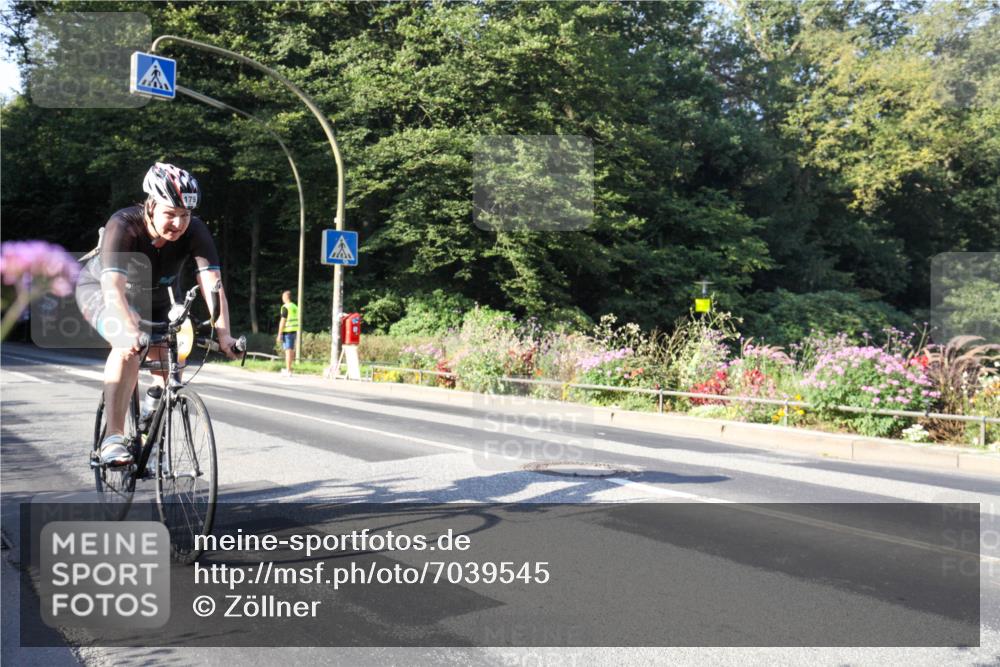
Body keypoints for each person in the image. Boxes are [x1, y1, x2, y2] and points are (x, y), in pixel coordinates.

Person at [76, 162, 240, 465]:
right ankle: (113, 438)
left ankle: (148, 429)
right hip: (103, 291)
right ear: (151, 206)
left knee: (171, 364)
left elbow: (212, 285)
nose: (179, 223)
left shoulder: (195, 230)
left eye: (185, 215)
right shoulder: (124, 225)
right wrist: (128, 328)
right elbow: (112, 287)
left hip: (158, 298)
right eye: (170, 214)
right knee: (126, 346)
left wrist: (224, 334)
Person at [276, 290, 299, 376]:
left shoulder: (285, 307)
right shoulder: (295, 306)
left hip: (287, 331)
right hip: (294, 330)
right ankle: (289, 369)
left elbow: (283, 321)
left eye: (283, 297)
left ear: (286, 297)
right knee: (291, 351)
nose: (282, 298)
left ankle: (288, 370)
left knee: (288, 351)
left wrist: (279, 334)